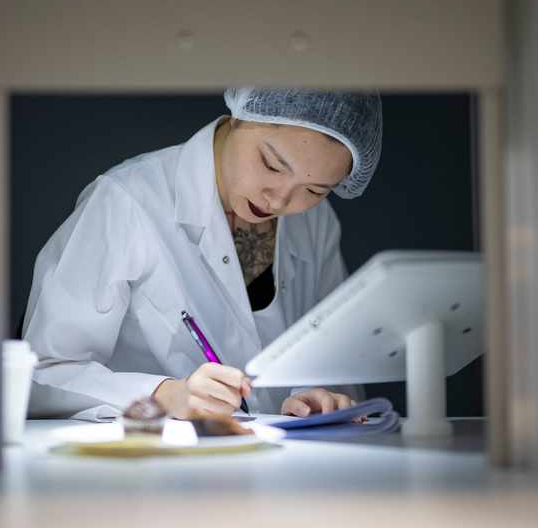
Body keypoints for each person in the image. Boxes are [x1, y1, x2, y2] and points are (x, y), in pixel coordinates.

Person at [22, 87, 382, 421]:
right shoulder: (126, 200)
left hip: (276, 458)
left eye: (315, 190)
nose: (280, 200)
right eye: (272, 165)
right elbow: (43, 376)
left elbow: (334, 357)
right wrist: (164, 396)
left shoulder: (316, 222)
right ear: (240, 116)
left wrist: (315, 398)